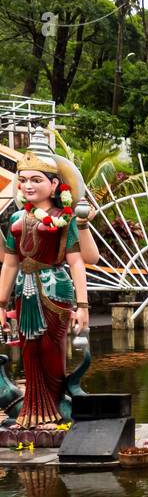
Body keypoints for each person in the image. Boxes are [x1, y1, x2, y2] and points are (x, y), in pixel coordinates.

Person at [0, 135, 92, 430]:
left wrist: (83, 305)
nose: (27, 186)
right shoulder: (16, 217)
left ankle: (54, 410)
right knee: (29, 351)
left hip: (56, 288)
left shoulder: (64, 219)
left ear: (54, 185)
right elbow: (10, 262)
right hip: (23, 292)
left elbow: (77, 261)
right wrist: (0, 304)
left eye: (36, 180)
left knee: (52, 350)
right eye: (23, 180)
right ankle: (31, 413)